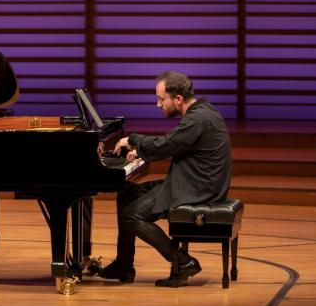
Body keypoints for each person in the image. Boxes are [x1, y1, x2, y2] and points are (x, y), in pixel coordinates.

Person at [99, 71, 231, 287]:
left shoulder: (197, 119)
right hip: (194, 180)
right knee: (126, 193)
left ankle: (182, 262)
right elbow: (175, 143)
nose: (158, 104)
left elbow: (167, 144)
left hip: (197, 188)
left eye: (161, 99)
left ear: (178, 98)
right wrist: (142, 150)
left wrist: (132, 140)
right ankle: (124, 265)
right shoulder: (202, 111)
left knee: (131, 215)